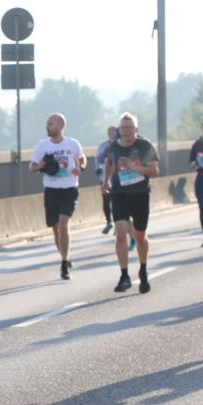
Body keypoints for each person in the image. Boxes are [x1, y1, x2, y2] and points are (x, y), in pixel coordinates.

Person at [101, 113, 160, 294]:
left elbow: (154, 172)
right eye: (123, 128)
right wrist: (105, 182)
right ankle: (124, 275)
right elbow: (109, 163)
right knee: (120, 234)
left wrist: (134, 167)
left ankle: (143, 270)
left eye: (129, 128)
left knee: (140, 237)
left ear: (136, 130)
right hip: (119, 194)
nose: (125, 132)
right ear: (118, 130)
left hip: (140, 194)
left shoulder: (145, 146)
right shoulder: (113, 147)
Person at [29, 113, 85, 280]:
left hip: (69, 189)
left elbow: (82, 159)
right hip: (51, 189)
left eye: (51, 124)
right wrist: (40, 166)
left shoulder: (72, 143)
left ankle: (64, 263)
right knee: (55, 229)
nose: (47, 127)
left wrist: (79, 167)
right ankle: (66, 259)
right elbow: (31, 167)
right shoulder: (42, 145)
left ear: (60, 126)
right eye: (47, 124)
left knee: (63, 225)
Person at [95, 126, 118, 234]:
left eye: (112, 132)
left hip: (117, 178)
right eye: (108, 132)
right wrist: (98, 168)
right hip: (104, 177)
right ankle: (109, 221)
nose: (110, 134)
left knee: (116, 201)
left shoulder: (121, 143)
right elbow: (98, 158)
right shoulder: (104, 145)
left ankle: (119, 223)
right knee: (106, 201)